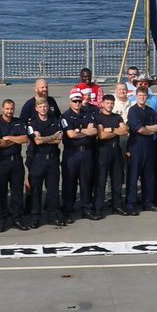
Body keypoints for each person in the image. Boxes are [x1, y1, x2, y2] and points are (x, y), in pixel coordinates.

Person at [25, 98, 65, 228]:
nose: (43, 108)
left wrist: (45, 138)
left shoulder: (54, 121)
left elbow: (58, 139)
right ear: (36, 108)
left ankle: (53, 215)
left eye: (45, 106)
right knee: (36, 190)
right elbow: (37, 141)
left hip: (52, 159)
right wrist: (51, 137)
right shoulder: (32, 123)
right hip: (38, 160)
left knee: (53, 189)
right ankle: (35, 216)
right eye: (41, 106)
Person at [0, 99, 31, 231]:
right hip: (1, 162)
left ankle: (17, 217)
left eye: (12, 109)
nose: (9, 112)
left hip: (16, 162)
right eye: (7, 109)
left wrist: (8, 138)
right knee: (0, 191)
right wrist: (16, 139)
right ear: (2, 109)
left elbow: (25, 139)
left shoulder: (18, 122)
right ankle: (1, 219)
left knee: (17, 191)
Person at [60, 91, 99, 222]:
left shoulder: (88, 114)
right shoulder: (65, 116)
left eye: (79, 101)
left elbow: (94, 131)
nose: (77, 103)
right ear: (70, 102)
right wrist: (84, 131)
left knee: (86, 182)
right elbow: (71, 135)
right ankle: (67, 210)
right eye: (75, 101)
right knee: (69, 182)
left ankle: (86, 208)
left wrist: (79, 130)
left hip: (86, 152)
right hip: (72, 153)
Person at [125, 87, 157, 215]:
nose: (142, 97)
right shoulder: (133, 111)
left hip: (149, 146)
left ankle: (148, 202)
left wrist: (147, 128)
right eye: (140, 95)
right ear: (136, 96)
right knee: (133, 176)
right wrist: (150, 129)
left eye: (144, 95)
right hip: (136, 145)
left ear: (147, 97)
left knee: (149, 176)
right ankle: (131, 204)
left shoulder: (151, 111)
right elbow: (138, 129)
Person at [94, 93, 128, 218]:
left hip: (116, 151)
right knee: (101, 180)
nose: (110, 105)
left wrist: (112, 130)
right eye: (107, 103)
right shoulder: (98, 117)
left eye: (112, 103)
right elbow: (101, 135)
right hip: (103, 152)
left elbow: (125, 130)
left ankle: (117, 205)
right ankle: (98, 207)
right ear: (102, 104)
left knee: (117, 180)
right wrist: (116, 131)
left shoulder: (117, 117)